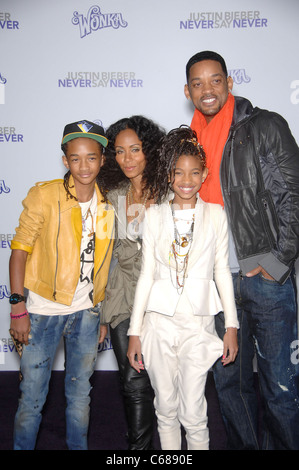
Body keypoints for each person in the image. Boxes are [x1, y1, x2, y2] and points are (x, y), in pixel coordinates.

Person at [184, 50, 299, 450]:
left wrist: (278, 261)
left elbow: (292, 195)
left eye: (215, 80)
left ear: (230, 83)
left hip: (264, 279)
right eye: (198, 83)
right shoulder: (187, 143)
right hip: (215, 285)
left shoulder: (264, 126)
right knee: (230, 387)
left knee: (280, 388)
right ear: (188, 91)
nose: (207, 90)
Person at [127, 126, 239, 450]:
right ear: (169, 176)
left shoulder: (216, 215)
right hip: (158, 323)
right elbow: (146, 275)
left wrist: (230, 326)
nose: (186, 180)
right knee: (165, 407)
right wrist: (135, 331)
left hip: (199, 324)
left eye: (193, 172)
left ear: (204, 174)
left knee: (194, 410)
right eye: (178, 173)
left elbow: (222, 271)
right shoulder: (154, 216)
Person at [9, 120, 115, 450]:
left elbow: (104, 265)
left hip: (87, 314)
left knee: (80, 397)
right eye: (75, 157)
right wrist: (17, 306)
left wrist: (102, 314)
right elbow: (19, 250)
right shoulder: (44, 195)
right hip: (41, 312)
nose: (84, 165)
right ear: (65, 160)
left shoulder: (108, 204)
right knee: (32, 400)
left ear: (103, 159)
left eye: (92, 157)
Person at [97, 115, 165, 450]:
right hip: (124, 301)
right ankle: (138, 450)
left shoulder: (171, 192)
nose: (127, 159)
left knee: (170, 386)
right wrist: (102, 312)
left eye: (135, 149)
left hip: (165, 302)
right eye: (120, 152)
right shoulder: (112, 197)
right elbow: (105, 258)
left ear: (149, 150)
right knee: (133, 382)